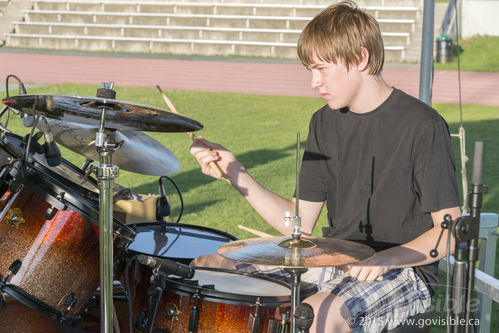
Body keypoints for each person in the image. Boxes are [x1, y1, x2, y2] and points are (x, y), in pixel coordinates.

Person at [190, 1, 461, 332]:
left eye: (322, 69)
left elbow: (450, 232)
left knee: (316, 314)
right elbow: (298, 224)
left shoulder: (422, 125)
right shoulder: (323, 122)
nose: (314, 82)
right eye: (310, 71)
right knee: (207, 267)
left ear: (360, 58)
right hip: (335, 257)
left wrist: (385, 258)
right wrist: (235, 172)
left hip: (403, 269)